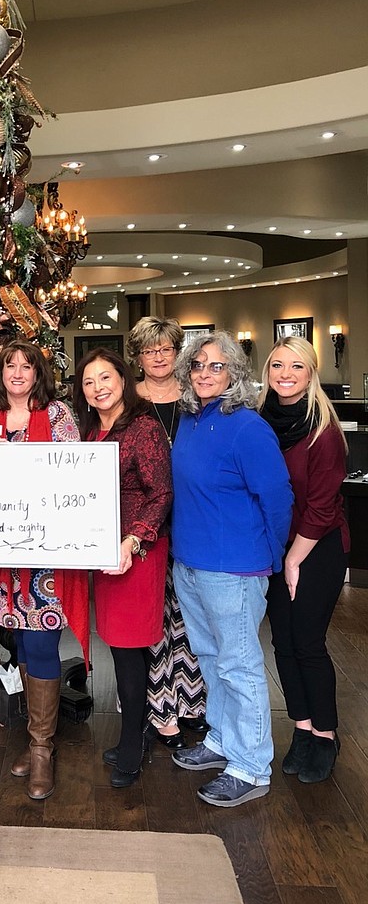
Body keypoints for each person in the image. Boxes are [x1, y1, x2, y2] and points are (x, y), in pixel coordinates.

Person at [170, 331, 292, 807]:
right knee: (210, 658)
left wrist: (269, 554)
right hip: (192, 563)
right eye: (197, 365)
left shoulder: (248, 427)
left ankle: (251, 765)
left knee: (239, 666)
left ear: (235, 373)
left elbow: (278, 499)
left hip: (235, 570)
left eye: (216, 366)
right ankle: (222, 739)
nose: (204, 373)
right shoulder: (193, 420)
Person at [0, 340, 84, 800]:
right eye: (10, 365)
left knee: (41, 645)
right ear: (0, 372)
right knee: (16, 642)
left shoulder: (57, 417)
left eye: (27, 365)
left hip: (44, 560)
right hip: (3, 561)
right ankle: (35, 739)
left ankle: (41, 750)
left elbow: (75, 477)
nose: (18, 372)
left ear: (39, 373)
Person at [74, 348, 173, 787]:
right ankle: (136, 728)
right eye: (89, 382)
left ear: (123, 379)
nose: (98, 388)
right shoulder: (91, 431)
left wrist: (132, 541)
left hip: (135, 553)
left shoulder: (145, 427)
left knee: (132, 651)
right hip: (103, 554)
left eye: (106, 378)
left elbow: (161, 494)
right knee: (117, 646)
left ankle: (133, 738)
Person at [259, 336, 349, 782]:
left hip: (316, 549)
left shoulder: (324, 432)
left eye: (296, 366)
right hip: (274, 549)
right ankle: (302, 728)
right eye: (277, 366)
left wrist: (294, 560)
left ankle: (326, 735)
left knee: (307, 643)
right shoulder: (259, 422)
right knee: (281, 642)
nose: (286, 375)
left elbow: (322, 506)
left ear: (311, 373)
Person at [127, 316, 206, 748]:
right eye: (149, 350)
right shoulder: (129, 399)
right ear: (138, 357)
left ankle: (192, 701)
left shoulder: (196, 396)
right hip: (144, 523)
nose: (158, 357)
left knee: (192, 615)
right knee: (154, 617)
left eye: (166, 349)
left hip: (193, 517)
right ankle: (158, 708)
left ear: (177, 352)